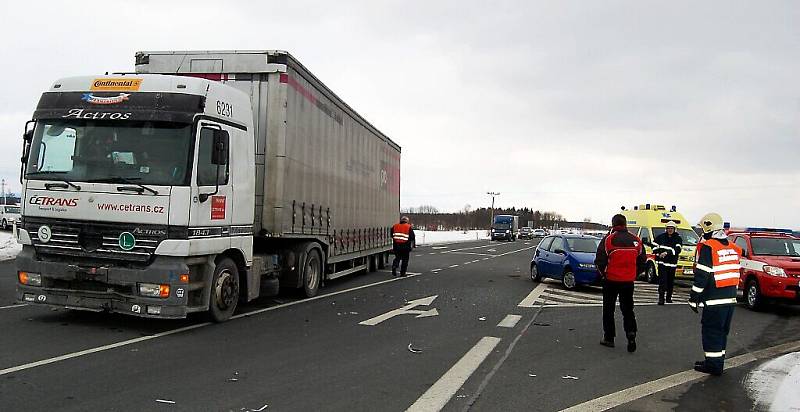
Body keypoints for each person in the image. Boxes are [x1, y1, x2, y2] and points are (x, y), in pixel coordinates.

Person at [689, 212, 741, 376]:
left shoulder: (709, 247)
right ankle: (716, 362)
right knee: (721, 333)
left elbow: (702, 276)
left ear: (708, 228)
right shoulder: (733, 248)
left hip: (714, 300)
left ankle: (713, 365)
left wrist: (693, 298)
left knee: (711, 332)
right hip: (730, 299)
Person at [595, 214, 647, 352]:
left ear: (613, 224)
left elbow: (599, 260)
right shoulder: (636, 240)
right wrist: (634, 274)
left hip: (611, 280)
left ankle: (609, 338)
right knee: (628, 310)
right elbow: (642, 261)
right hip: (628, 281)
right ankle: (631, 334)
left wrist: (604, 274)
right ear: (625, 224)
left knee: (608, 310)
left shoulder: (608, 240)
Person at [652, 221, 683, 305]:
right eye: (668, 228)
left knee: (670, 281)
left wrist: (666, 253)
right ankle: (661, 298)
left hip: (672, 264)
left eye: (671, 228)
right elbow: (654, 247)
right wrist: (658, 253)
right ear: (666, 229)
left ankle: (668, 298)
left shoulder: (678, 238)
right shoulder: (660, 237)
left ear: (674, 229)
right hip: (662, 263)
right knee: (662, 281)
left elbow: (678, 249)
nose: (669, 230)